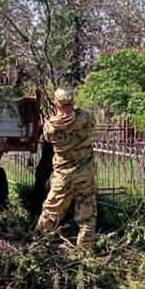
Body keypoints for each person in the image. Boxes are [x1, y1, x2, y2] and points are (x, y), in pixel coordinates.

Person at [36, 87, 97, 251]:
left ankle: (40, 246)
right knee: (87, 216)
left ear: (56, 104)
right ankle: (86, 250)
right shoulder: (85, 117)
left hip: (63, 176)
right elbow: (92, 122)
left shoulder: (51, 126)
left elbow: (47, 138)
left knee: (51, 211)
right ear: (73, 102)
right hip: (85, 173)